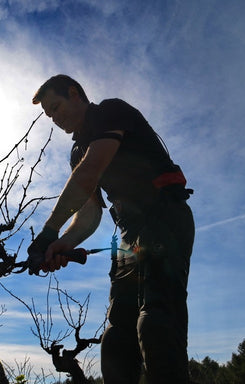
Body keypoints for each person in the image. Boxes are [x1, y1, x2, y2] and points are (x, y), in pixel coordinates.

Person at [28, 74, 195, 383]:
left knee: (156, 321)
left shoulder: (109, 112)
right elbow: (90, 213)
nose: (54, 118)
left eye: (56, 106)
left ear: (75, 93)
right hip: (128, 238)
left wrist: (49, 232)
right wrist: (63, 242)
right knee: (117, 337)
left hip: (165, 218)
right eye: (49, 115)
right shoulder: (76, 152)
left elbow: (90, 173)